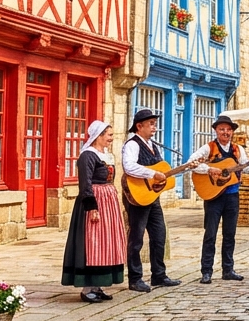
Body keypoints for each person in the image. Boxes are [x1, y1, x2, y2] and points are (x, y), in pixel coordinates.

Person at [62, 120, 127, 301]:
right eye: (109, 135)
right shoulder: (88, 156)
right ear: (98, 136)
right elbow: (85, 184)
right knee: (92, 243)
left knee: (105, 243)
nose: (111, 139)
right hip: (93, 202)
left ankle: (97, 286)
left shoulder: (104, 155)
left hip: (108, 203)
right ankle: (86, 289)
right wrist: (92, 208)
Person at [189, 114, 249, 284]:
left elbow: (246, 169)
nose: (225, 132)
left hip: (232, 195)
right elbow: (192, 163)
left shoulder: (237, 150)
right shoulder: (208, 148)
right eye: (221, 129)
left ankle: (228, 269)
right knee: (210, 233)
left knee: (230, 233)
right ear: (216, 131)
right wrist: (209, 169)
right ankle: (206, 271)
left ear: (232, 132)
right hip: (213, 196)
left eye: (228, 129)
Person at [121, 109, 181, 292]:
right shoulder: (132, 145)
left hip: (152, 197)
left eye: (155, 124)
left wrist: (162, 177)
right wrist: (151, 173)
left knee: (159, 235)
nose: (155, 127)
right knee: (136, 238)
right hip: (137, 197)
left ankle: (159, 275)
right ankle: (135, 278)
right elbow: (129, 166)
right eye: (151, 124)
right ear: (139, 126)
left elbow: (160, 169)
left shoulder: (153, 145)